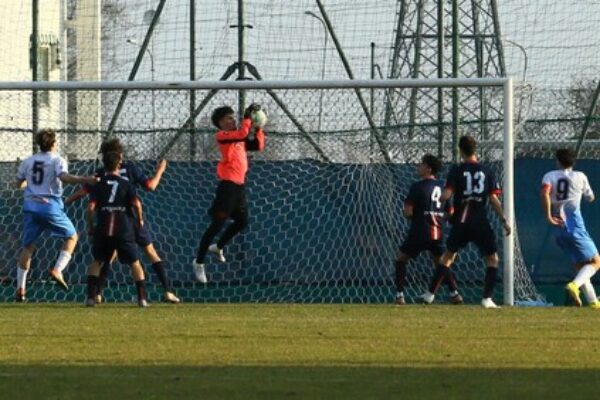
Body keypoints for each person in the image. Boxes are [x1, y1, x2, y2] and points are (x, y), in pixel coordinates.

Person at [66, 139, 179, 304]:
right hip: (130, 218)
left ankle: (96, 294)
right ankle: (167, 291)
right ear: (119, 156)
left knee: (106, 257)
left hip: (108, 220)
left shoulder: (99, 174)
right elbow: (150, 186)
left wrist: (64, 203)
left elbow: (83, 193)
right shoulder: (130, 169)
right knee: (149, 253)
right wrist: (160, 170)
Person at [420, 135, 511, 308]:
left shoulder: (456, 170)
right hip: (480, 220)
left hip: (461, 220)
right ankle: (487, 298)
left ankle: (430, 294)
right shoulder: (487, 171)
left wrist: (439, 205)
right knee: (492, 259)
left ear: (459, 150)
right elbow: (493, 199)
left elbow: (446, 194)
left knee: (448, 257)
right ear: (475, 149)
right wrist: (504, 220)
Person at [15, 128, 97, 302]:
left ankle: (21, 290)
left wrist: (32, 188)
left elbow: (18, 184)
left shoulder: (28, 161)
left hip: (30, 206)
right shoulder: (57, 159)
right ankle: (58, 269)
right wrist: (85, 179)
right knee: (72, 236)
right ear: (53, 143)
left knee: (28, 247)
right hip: (49, 206)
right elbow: (65, 177)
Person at [193, 104, 266, 282]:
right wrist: (247, 117)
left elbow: (258, 146)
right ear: (220, 123)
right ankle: (199, 262)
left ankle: (218, 246)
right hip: (227, 188)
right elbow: (241, 133)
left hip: (239, 188)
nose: (233, 120)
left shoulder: (238, 139)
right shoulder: (222, 136)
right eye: (228, 118)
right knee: (217, 225)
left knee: (242, 222)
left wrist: (258, 128)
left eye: (234, 117)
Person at [395, 154, 463, 305]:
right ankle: (455, 294)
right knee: (442, 262)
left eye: (421, 164)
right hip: (437, 232)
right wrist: (437, 216)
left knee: (400, 258)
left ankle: (399, 296)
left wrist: (414, 215)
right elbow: (450, 212)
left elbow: (408, 213)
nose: (418, 166)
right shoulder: (443, 187)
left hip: (419, 231)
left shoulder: (417, 186)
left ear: (429, 168)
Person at [85, 151, 148, 307]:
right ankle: (142, 299)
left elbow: (90, 207)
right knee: (135, 262)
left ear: (104, 165)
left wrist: (91, 225)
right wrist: (140, 219)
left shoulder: (98, 184)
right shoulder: (126, 184)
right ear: (118, 164)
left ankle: (91, 298)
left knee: (97, 261)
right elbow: (137, 204)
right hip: (123, 227)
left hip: (104, 226)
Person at [541, 149, 600, 308]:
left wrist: (548, 215)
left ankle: (594, 302)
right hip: (574, 225)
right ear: (573, 162)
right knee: (596, 262)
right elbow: (591, 197)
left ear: (558, 161)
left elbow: (545, 192)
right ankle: (574, 285)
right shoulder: (580, 176)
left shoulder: (549, 176)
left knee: (581, 266)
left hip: (558, 227)